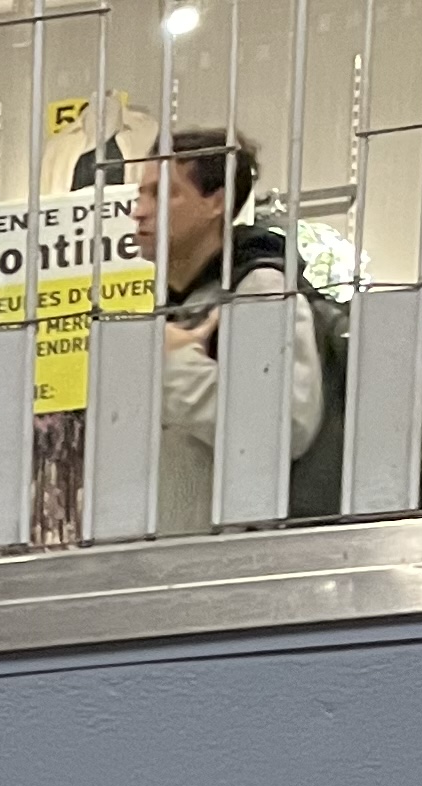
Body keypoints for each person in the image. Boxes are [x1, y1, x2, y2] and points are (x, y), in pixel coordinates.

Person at [142, 127, 333, 531]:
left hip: (237, 553)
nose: (139, 210)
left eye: (162, 194)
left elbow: (285, 427)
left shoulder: (261, 288)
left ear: (217, 202)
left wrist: (175, 367)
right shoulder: (180, 301)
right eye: (141, 194)